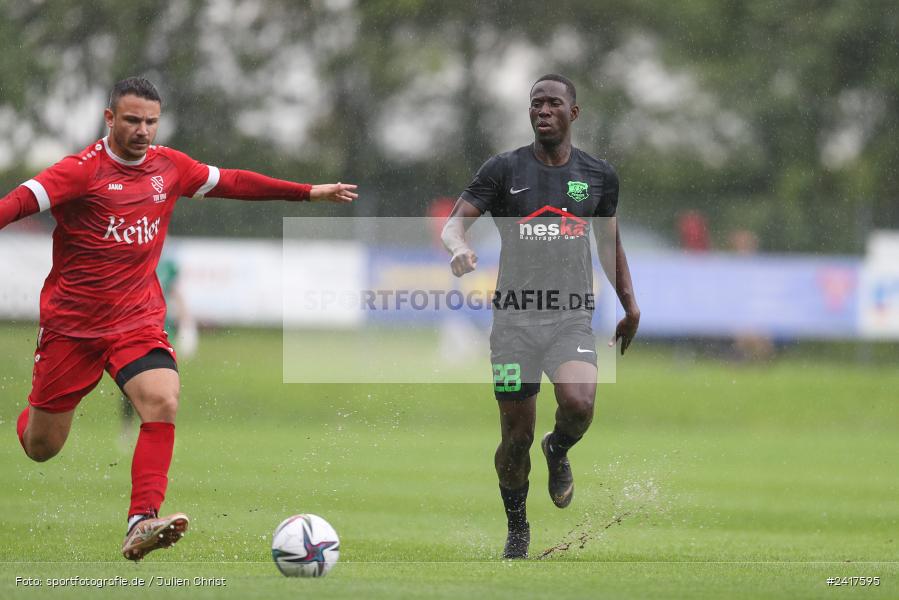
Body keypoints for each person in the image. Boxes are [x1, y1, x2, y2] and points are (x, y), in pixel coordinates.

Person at [0, 77, 358, 561]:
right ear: (109, 119)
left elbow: (232, 181)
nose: (143, 130)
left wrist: (307, 193)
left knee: (163, 398)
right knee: (41, 446)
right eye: (132, 120)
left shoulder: (169, 167)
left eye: (151, 121)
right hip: (72, 329)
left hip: (137, 321)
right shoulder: (79, 172)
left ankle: (141, 521)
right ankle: (33, 415)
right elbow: (17, 203)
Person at [442, 74, 640, 559]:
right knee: (515, 439)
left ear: (574, 112)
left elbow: (608, 241)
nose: (543, 111)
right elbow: (454, 224)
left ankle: (559, 448)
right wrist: (459, 247)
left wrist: (630, 304)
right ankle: (517, 529)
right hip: (513, 325)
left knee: (579, 404)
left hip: (570, 316)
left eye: (553, 103)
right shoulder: (503, 169)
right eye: (536, 104)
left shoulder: (598, 176)